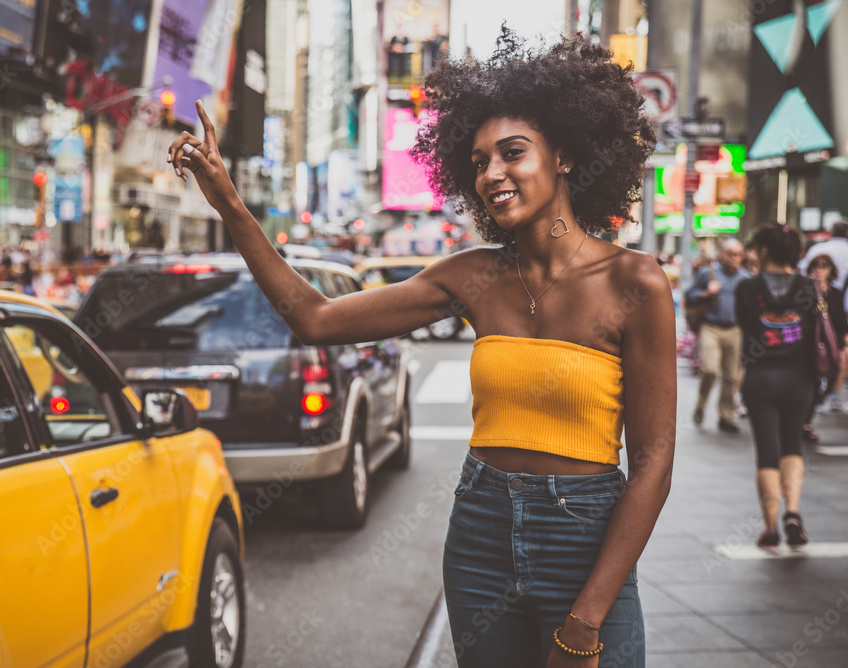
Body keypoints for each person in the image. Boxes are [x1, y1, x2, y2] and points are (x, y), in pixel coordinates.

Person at [169, 31, 676, 667]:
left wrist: (587, 617)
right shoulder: (470, 276)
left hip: (586, 539)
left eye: (512, 153)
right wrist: (231, 206)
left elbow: (654, 460)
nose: (493, 173)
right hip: (481, 532)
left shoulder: (636, 282)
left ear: (566, 154)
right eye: (479, 160)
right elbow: (317, 319)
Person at [736, 224, 817, 550]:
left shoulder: (747, 287)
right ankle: (793, 513)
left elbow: (743, 323)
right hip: (799, 378)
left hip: (760, 377)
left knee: (767, 452)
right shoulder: (808, 286)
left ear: (765, 250)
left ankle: (770, 530)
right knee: (792, 446)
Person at [685, 239, 752, 433]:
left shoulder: (745, 278)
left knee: (731, 376)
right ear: (722, 255)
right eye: (730, 254)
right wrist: (706, 292)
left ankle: (726, 416)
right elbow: (689, 295)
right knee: (709, 369)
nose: (734, 258)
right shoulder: (708, 273)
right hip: (710, 327)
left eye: (738, 254)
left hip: (735, 330)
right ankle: (701, 405)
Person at [802, 254, 848, 439]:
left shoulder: (835, 293)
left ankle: (808, 414)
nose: (819, 270)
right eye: (816, 266)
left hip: (831, 344)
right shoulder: (805, 291)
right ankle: (805, 422)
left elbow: (840, 321)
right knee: (811, 382)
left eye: (824, 266)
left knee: (834, 378)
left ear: (830, 270)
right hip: (810, 344)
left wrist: (844, 343)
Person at [799, 220, 848, 307]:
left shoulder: (816, 249)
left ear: (831, 232)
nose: (819, 270)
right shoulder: (817, 249)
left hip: (815, 298)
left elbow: (803, 270)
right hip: (842, 302)